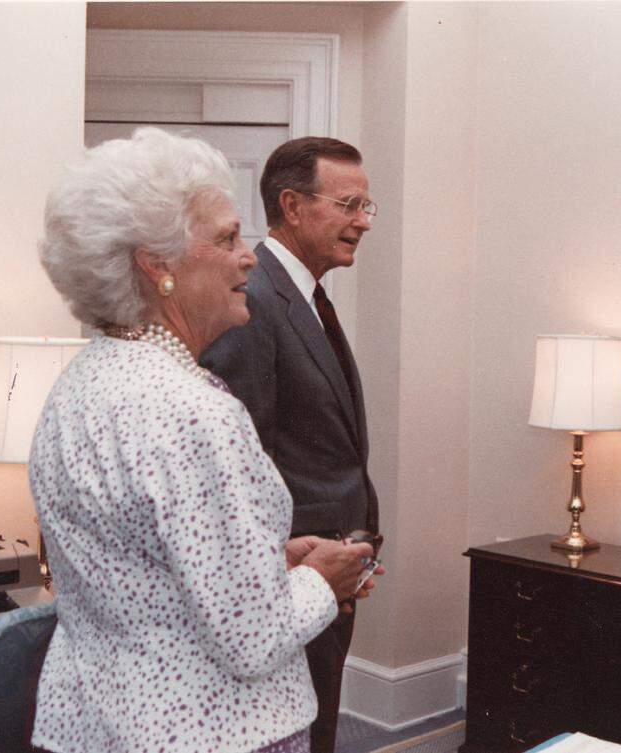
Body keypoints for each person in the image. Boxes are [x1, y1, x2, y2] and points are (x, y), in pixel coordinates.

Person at [30, 127, 380, 753]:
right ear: (156, 265)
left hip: (93, 724)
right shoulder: (192, 411)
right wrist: (323, 581)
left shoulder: (79, 383)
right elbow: (255, 639)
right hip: (210, 730)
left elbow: (144, 570)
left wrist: (270, 560)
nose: (249, 255)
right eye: (226, 238)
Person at [201, 136, 378, 753]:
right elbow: (240, 464)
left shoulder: (306, 295)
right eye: (349, 203)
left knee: (320, 720)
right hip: (287, 579)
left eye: (367, 205)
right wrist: (290, 561)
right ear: (293, 205)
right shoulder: (252, 300)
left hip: (329, 567)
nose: (362, 220)